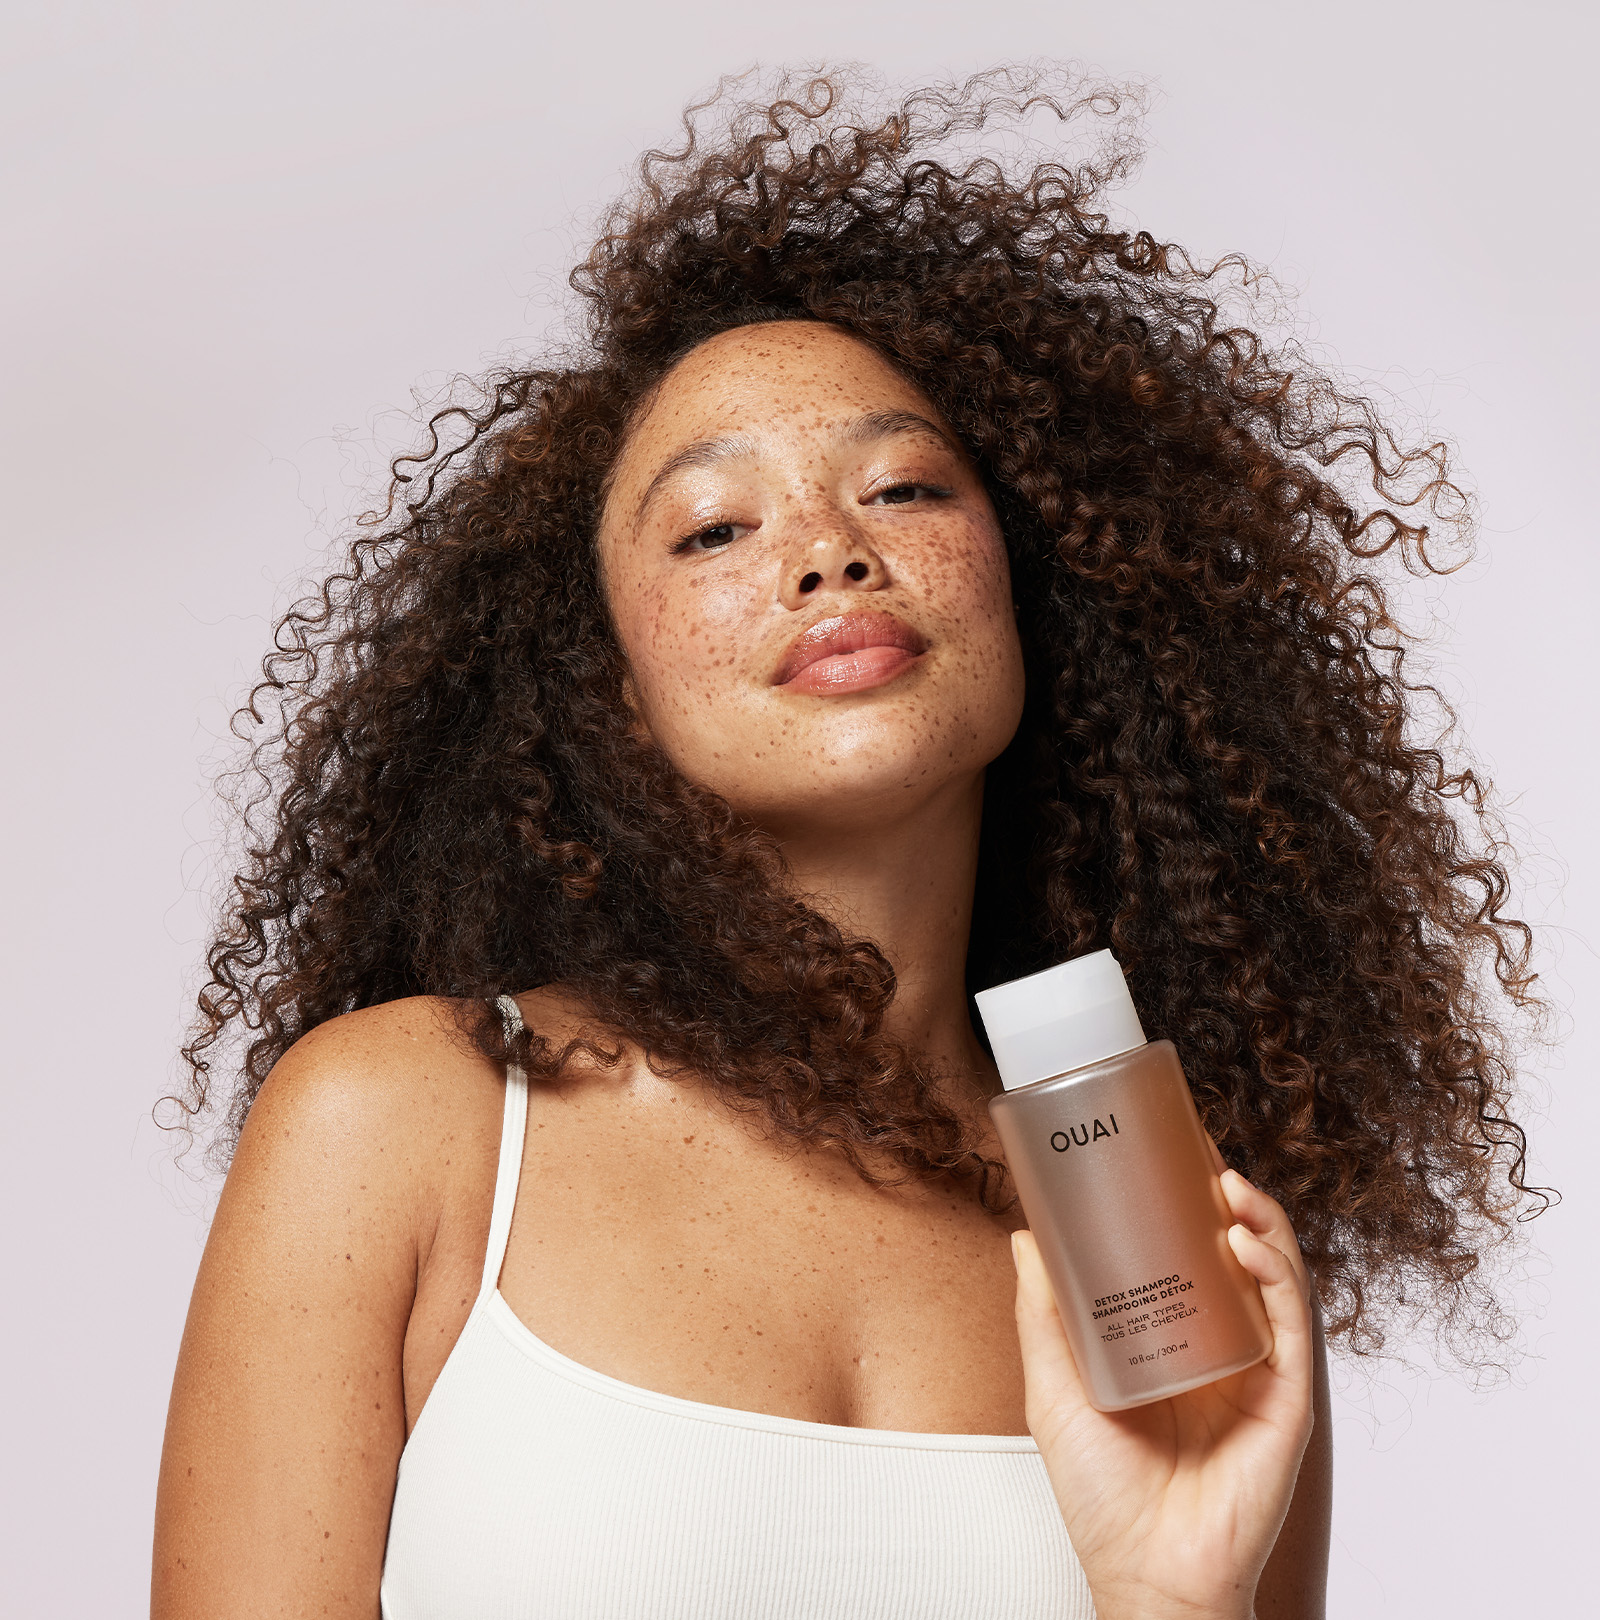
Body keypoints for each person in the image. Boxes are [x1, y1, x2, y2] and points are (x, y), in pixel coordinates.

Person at [151, 67, 1539, 1620]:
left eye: (903, 485)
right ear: (608, 684)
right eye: (715, 529)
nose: (830, 551)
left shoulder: (1155, 1224)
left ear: (1032, 590)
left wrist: (1175, 1599)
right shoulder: (405, 1122)